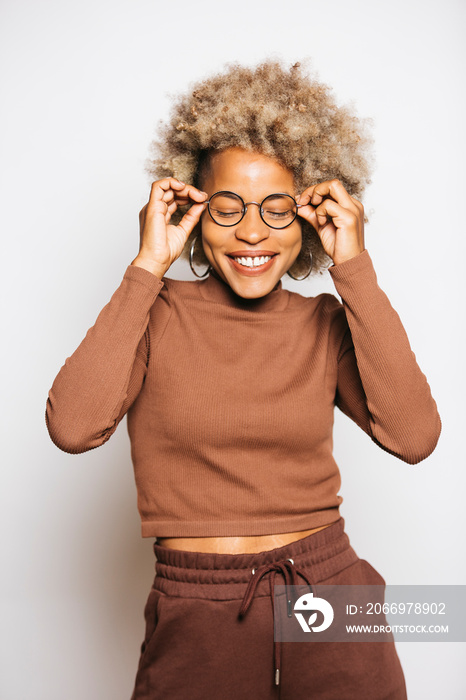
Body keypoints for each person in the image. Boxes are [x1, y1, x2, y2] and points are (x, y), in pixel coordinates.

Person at [45, 60, 441, 699]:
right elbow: (72, 426)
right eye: (227, 207)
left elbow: (416, 436)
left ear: (309, 214)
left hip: (328, 593)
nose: (251, 231)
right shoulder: (154, 315)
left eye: (276, 209)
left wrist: (355, 267)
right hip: (198, 606)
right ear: (193, 209)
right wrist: (147, 265)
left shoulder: (326, 321)